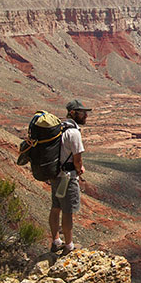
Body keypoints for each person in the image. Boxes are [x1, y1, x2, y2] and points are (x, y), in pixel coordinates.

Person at [49, 99, 90, 253]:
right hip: (67, 177)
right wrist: (80, 169)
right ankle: (69, 245)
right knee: (68, 211)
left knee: (55, 207)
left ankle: (55, 240)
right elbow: (77, 160)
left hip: (55, 175)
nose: (86, 115)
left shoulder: (60, 128)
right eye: (82, 112)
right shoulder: (73, 132)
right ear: (72, 113)